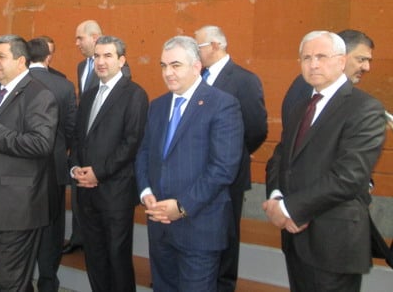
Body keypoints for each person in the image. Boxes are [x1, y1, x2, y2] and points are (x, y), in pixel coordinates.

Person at [264, 31, 386, 292]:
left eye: (321, 57)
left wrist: (289, 209)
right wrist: (276, 197)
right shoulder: (302, 107)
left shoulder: (366, 108)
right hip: (294, 238)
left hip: (333, 243)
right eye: (306, 58)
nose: (313, 64)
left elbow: (349, 177)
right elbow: (280, 158)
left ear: (341, 61)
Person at [135, 35, 244, 291]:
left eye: (176, 65)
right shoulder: (157, 106)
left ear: (196, 66)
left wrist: (182, 206)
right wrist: (145, 191)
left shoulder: (222, 105)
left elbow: (223, 168)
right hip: (160, 226)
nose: (168, 72)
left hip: (199, 228)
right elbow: (144, 152)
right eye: (163, 65)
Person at [0, 34, 58, 292]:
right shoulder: (3, 92)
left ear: (20, 61)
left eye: (1, 57)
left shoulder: (39, 94)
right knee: (14, 281)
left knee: (11, 284)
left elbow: (41, 143)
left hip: (17, 208)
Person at [71, 36, 148, 292]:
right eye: (97, 56)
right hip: (86, 192)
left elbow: (131, 142)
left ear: (121, 60)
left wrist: (99, 173)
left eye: (108, 56)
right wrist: (75, 168)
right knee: (94, 258)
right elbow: (78, 137)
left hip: (116, 193)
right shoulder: (89, 95)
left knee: (117, 259)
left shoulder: (135, 94)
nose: (101, 62)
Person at [194, 25, 268, 292]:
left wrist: (230, 155)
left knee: (226, 236)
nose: (194, 52)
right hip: (195, 175)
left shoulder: (244, 80)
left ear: (215, 46)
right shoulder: (195, 78)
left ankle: (223, 285)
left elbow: (256, 128)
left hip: (229, 177)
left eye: (198, 47)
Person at [27, 37, 77, 292]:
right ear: (48, 57)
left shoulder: (16, 83)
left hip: (21, 168)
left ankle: (22, 281)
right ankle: (48, 281)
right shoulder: (64, 86)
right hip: (54, 166)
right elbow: (71, 128)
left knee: (23, 227)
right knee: (52, 228)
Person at [281, 29, 374, 127]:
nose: (367, 68)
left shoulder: (362, 104)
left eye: (369, 61)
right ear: (341, 58)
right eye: (361, 59)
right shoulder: (307, 86)